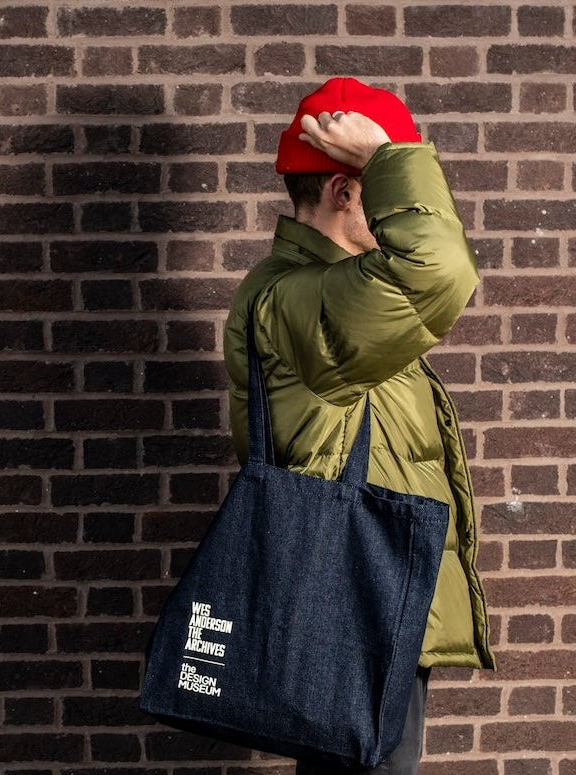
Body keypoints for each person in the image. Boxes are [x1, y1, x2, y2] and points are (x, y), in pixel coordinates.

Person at [223, 77, 495, 775]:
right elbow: (439, 269)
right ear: (346, 191)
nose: (394, 215)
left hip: (368, 601)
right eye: (382, 189)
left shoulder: (323, 292)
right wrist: (385, 156)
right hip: (357, 606)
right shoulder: (302, 298)